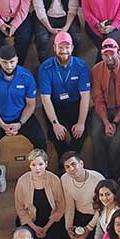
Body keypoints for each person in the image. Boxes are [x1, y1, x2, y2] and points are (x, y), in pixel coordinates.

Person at [0, 46, 46, 193]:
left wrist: (20, 123)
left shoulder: (26, 76)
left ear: (16, 60)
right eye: (4, 62)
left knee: (40, 140)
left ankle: (40, 172)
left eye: (11, 62)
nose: (9, 66)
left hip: (21, 117)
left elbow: (31, 104)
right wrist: (3, 125)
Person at [38, 32, 91, 161]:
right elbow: (45, 98)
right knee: (54, 133)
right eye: (60, 47)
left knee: (81, 132)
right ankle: (65, 163)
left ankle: (71, 161)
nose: (64, 51)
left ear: (72, 48)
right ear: (54, 48)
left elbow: (85, 96)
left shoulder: (81, 66)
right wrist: (55, 123)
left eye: (67, 47)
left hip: (75, 103)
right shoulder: (45, 68)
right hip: (55, 105)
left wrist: (81, 123)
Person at [90, 39, 120, 179]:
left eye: (112, 54)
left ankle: (115, 174)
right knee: (96, 134)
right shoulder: (96, 70)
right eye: (106, 54)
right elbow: (98, 99)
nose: (109, 57)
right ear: (101, 55)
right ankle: (102, 175)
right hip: (104, 108)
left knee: (117, 141)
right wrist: (106, 123)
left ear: (119, 53)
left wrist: (115, 122)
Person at [15, 148, 65, 239]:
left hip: (51, 220)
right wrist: (35, 227)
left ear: (46, 164)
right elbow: (20, 208)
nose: (37, 168)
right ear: (29, 165)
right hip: (30, 220)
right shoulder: (22, 181)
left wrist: (46, 227)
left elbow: (60, 207)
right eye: (34, 165)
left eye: (41, 164)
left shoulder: (54, 180)